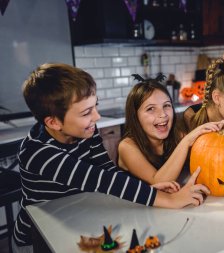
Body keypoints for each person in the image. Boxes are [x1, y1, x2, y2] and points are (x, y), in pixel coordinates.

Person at [12, 63, 209, 253]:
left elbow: (109, 170)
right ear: (53, 122)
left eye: (94, 106)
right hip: (38, 238)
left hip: (79, 219)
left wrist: (147, 190)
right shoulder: (39, 153)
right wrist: (171, 200)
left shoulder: (87, 130)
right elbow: (103, 180)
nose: (96, 117)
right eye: (87, 112)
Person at [118, 74, 224, 185]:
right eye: (150, 109)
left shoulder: (178, 134)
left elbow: (211, 158)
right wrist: (187, 141)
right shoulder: (127, 146)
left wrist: (223, 131)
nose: (162, 114)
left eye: (166, 105)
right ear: (135, 115)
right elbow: (159, 182)